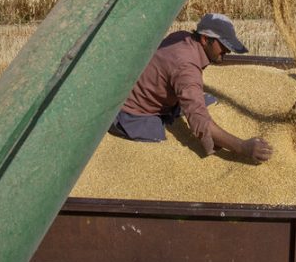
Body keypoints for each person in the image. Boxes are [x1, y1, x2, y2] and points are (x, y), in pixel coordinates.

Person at [109, 13, 273, 163]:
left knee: (206, 100)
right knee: (156, 136)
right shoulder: (186, 67)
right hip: (132, 112)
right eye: (223, 45)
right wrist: (242, 147)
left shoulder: (183, 37)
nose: (227, 50)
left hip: (150, 93)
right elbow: (200, 122)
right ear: (204, 39)